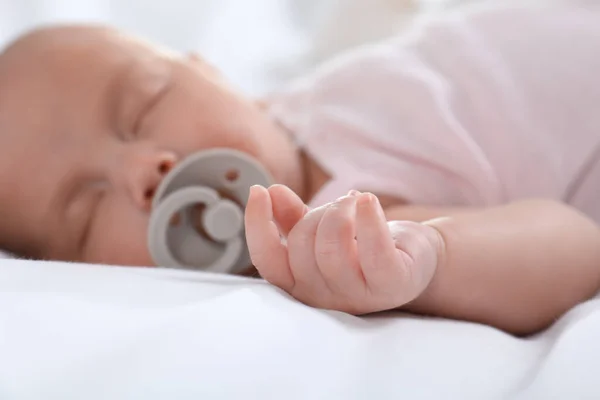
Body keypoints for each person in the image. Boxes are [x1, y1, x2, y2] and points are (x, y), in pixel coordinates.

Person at [0, 1, 599, 336]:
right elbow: (578, 250)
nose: (141, 170)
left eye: (146, 104)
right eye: (85, 207)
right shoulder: (344, 235)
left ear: (210, 72)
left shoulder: (297, 102)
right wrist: (434, 255)